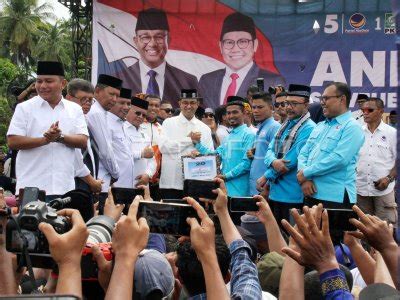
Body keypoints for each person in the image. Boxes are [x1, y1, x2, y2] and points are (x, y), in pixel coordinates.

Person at [7, 61, 88, 201]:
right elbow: (13, 141)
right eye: (39, 81)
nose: (43, 86)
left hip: (65, 188)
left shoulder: (74, 109)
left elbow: (83, 141)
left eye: (49, 81)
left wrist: (60, 137)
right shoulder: (25, 108)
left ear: (63, 84)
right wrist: (44, 140)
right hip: (31, 187)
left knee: (63, 223)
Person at [297, 82, 365, 208]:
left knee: (334, 229)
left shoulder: (352, 127)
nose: (322, 102)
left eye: (326, 98)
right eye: (321, 98)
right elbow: (303, 152)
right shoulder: (320, 126)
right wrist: (305, 178)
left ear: (342, 99)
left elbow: (339, 159)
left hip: (335, 198)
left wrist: (306, 173)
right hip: (311, 194)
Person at [113, 8, 198, 106]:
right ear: (136, 41)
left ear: (168, 40)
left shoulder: (187, 81)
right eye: (145, 37)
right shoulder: (119, 79)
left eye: (159, 37)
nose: (152, 44)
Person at [199, 12, 285, 109]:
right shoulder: (207, 80)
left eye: (243, 41)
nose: (235, 49)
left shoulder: (272, 81)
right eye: (229, 42)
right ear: (221, 46)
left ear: (255, 45)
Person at [260, 84, 316, 224]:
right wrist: (273, 162)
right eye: (287, 103)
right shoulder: (285, 124)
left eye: (294, 103)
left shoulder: (309, 128)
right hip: (275, 193)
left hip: (293, 196)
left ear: (306, 104)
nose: (288, 107)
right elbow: (269, 151)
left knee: (291, 242)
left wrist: (266, 176)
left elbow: (289, 162)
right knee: (276, 240)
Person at [192, 96, 256, 197]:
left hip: (241, 191)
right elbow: (216, 155)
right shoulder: (229, 136)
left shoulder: (249, 134)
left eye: (235, 112)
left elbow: (246, 164)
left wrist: (226, 176)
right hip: (226, 190)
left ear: (244, 114)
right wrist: (198, 145)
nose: (231, 116)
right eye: (228, 113)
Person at [158, 89, 213, 199]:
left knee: (194, 216)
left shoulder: (205, 128)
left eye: (192, 103)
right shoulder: (169, 123)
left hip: (196, 184)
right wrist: (189, 140)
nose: (189, 106)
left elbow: (210, 155)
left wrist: (199, 154)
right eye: (185, 103)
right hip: (171, 183)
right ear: (179, 104)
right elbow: (163, 148)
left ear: (197, 104)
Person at [356, 97, 397, 227]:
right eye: (363, 110)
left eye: (369, 110)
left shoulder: (392, 133)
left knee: (385, 231)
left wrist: (389, 178)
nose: (365, 113)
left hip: (384, 191)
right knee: (364, 231)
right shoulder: (358, 133)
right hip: (361, 189)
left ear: (380, 111)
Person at [86, 74, 122, 198]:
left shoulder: (100, 112)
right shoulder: (96, 113)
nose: (115, 99)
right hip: (99, 180)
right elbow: (105, 150)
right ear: (97, 91)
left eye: (117, 96)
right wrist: (116, 173)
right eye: (111, 94)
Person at [66, 78, 103, 193]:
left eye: (90, 100)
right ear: (69, 98)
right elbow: (75, 160)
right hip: (74, 185)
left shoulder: (85, 121)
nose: (87, 103)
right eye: (83, 99)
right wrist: (92, 182)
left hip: (86, 185)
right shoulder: (66, 120)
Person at [248, 92, 280, 196]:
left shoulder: (274, 127)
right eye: (254, 107)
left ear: (271, 107)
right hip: (256, 187)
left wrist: (267, 186)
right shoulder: (261, 127)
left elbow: (277, 160)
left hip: (265, 188)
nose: (255, 111)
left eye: (260, 107)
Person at [107, 88, 136, 189]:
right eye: (122, 103)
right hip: (112, 185)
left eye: (128, 104)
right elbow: (105, 155)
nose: (126, 107)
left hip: (127, 185)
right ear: (113, 102)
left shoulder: (123, 124)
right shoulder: (106, 123)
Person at [125, 97, 156, 187]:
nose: (140, 117)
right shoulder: (120, 129)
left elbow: (152, 160)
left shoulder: (145, 135)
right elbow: (119, 155)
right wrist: (141, 154)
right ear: (128, 110)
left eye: (144, 115)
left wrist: (148, 175)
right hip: (123, 182)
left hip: (142, 184)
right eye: (137, 113)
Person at [141, 94, 163, 200]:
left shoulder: (161, 128)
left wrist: (160, 176)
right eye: (150, 105)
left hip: (155, 182)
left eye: (157, 105)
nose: (153, 108)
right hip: (139, 178)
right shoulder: (137, 124)